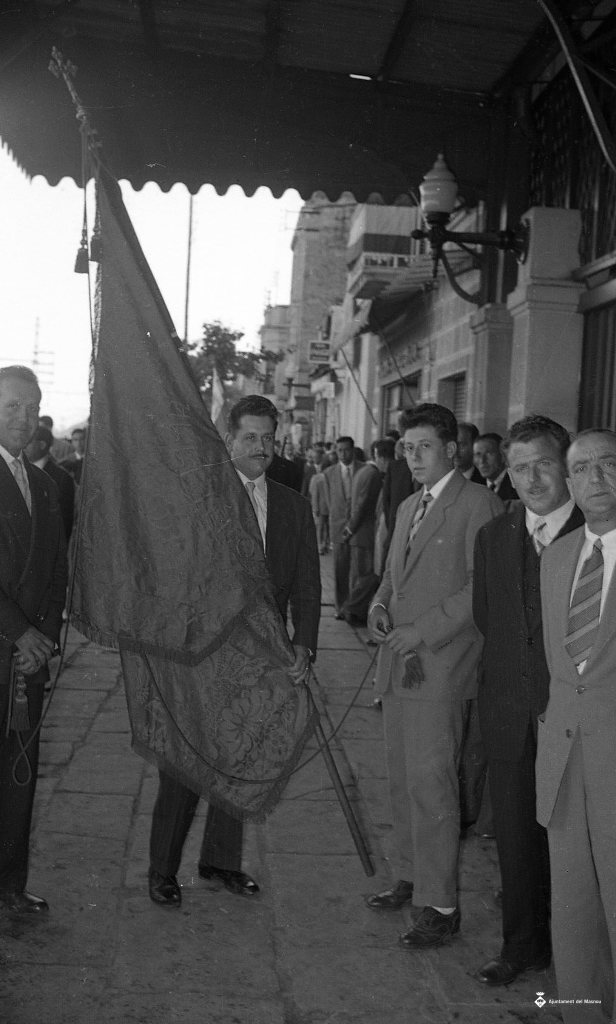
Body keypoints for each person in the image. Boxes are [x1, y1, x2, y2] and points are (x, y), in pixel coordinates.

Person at [148, 395, 321, 907]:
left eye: (269, 438)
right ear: (228, 440)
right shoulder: (198, 500)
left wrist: (304, 644)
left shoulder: (293, 506)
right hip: (199, 658)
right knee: (184, 762)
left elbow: (308, 585)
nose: (261, 447)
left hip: (261, 663)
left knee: (239, 759)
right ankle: (162, 869)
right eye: (250, 437)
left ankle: (220, 861)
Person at [365, 403, 502, 948]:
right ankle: (411, 875)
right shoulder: (408, 504)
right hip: (398, 662)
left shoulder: (479, 504)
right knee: (402, 779)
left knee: (433, 783)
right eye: (407, 448)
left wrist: (422, 630)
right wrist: (378, 606)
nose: (413, 457)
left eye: (424, 447)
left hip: (442, 665)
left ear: (451, 449)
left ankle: (441, 904)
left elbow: (480, 586)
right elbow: (391, 577)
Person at [472, 415, 584, 987]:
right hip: (510, 712)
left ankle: (582, 963)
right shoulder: (494, 536)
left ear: (565, 467)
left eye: (543, 464)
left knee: (574, 844)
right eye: (520, 468)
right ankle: (522, 947)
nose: (532, 478)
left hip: (575, 720)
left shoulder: (597, 533)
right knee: (515, 838)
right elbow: (487, 619)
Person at [537, 428, 616, 1022]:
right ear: (570, 482)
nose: (597, 478)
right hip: (563, 760)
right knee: (572, 907)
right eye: (583, 468)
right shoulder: (558, 557)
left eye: (609, 464)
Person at [0, 366, 67, 914]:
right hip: (7, 642)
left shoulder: (45, 485)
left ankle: (10, 886)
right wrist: (20, 632)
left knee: (19, 778)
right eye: (11, 406)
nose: (23, 418)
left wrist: (43, 637)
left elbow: (57, 571)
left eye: (31, 407)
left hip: (28, 664)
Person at [341, 449, 383, 625]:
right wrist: (351, 528)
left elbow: (352, 501)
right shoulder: (373, 474)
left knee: (358, 576)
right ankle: (351, 609)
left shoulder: (361, 472)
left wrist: (349, 527)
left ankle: (351, 610)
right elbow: (362, 504)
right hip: (365, 533)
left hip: (357, 533)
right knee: (367, 576)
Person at [323, 436, 361, 619]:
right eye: (339, 450)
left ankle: (354, 608)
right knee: (340, 570)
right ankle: (340, 607)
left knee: (358, 571)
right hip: (338, 527)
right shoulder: (329, 473)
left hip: (359, 528)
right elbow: (329, 502)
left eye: (346, 450)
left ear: (353, 450)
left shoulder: (364, 470)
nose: (343, 454)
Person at [25, 425, 76, 541]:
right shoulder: (18, 470)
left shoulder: (61, 478)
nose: (23, 446)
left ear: (42, 445)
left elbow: (64, 524)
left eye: (28, 442)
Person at [473, 433, 518, 501]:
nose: (482, 460)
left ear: (503, 456)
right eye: (478, 454)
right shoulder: (474, 486)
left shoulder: (516, 485)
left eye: (489, 453)